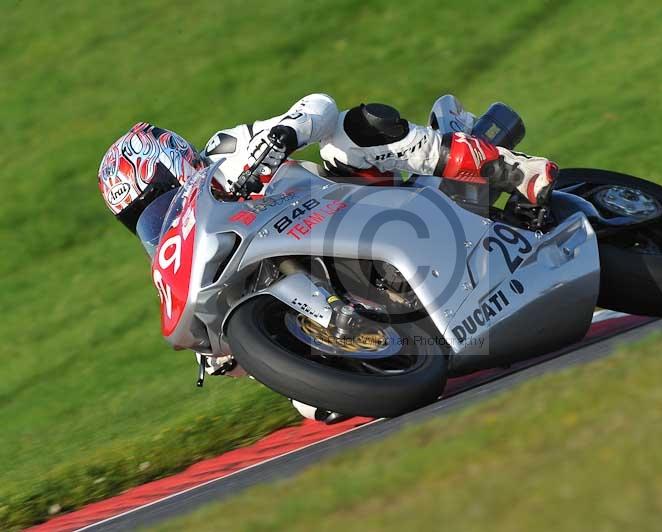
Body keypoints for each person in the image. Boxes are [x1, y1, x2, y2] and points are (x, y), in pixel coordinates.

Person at [97, 94, 559, 421]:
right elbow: (246, 356)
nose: (158, 221)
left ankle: (511, 169)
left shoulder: (227, 150)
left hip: (360, 202)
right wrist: (229, 352)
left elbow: (318, 106)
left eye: (157, 203)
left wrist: (282, 134)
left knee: (351, 132)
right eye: (144, 219)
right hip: (331, 273)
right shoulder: (184, 257)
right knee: (317, 406)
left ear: (176, 166)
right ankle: (401, 335)